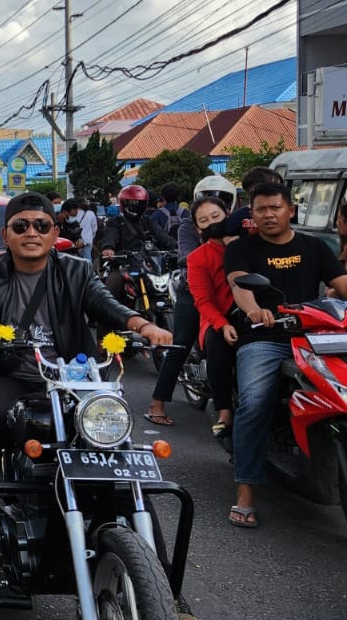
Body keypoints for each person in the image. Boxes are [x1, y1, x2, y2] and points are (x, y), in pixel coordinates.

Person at [0, 192, 173, 571]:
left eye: (41, 225)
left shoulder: (76, 270)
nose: (31, 233)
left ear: (54, 232)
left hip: (73, 382)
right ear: (5, 234)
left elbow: (106, 303)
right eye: (20, 226)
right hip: (10, 375)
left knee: (117, 452)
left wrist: (143, 324)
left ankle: (166, 588)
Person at [223, 183, 347, 528]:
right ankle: (246, 491)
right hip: (265, 337)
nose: (268, 214)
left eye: (275, 207)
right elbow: (240, 287)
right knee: (254, 401)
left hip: (317, 337)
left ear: (290, 210)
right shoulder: (242, 251)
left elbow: (342, 283)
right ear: (252, 214)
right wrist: (253, 312)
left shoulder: (314, 247)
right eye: (261, 209)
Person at [145, 176, 239, 426]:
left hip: (233, 293)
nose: (211, 219)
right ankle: (158, 404)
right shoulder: (188, 227)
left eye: (219, 205)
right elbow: (186, 255)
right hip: (192, 290)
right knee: (181, 343)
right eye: (205, 217)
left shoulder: (239, 225)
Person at [184, 196, 240, 442]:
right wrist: (222, 323)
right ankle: (224, 410)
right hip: (218, 318)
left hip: (256, 315)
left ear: (228, 213)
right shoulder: (198, 258)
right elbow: (203, 301)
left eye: (216, 217)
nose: (211, 223)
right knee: (218, 345)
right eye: (204, 221)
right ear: (197, 228)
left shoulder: (248, 244)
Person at [100, 185, 176, 259]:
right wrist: (108, 247)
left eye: (140, 203)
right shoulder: (115, 222)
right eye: (132, 203)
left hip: (148, 263)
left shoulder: (147, 221)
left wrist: (177, 247)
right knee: (114, 272)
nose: (136, 206)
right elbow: (110, 236)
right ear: (124, 203)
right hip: (123, 264)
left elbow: (162, 235)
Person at [178, 175, 237, 262]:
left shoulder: (238, 223)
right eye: (204, 220)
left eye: (215, 215)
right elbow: (188, 254)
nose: (211, 221)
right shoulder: (188, 227)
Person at [77, 199, 99, 263]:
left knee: (77, 259)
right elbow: (94, 228)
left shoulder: (73, 213)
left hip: (77, 241)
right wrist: (91, 237)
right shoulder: (91, 213)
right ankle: (89, 272)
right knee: (87, 258)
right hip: (88, 240)